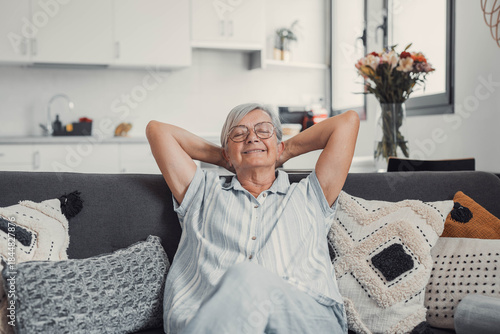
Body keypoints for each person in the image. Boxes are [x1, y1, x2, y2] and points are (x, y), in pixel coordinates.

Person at [146, 103, 359, 334]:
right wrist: (231, 157)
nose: (252, 138)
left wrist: (280, 150)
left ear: (279, 145)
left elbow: (347, 122)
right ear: (225, 152)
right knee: (246, 279)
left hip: (303, 317)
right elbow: (158, 131)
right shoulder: (202, 192)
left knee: (248, 276)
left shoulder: (311, 195)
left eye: (263, 131)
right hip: (213, 317)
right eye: (239, 134)